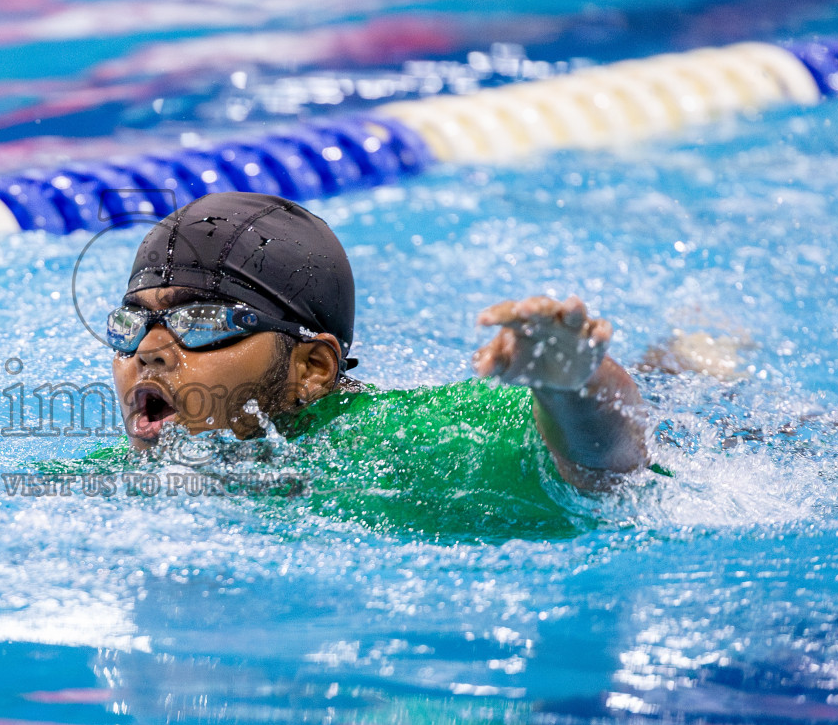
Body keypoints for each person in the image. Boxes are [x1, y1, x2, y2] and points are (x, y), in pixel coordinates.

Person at [66, 192, 652, 538]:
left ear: (313, 368)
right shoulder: (111, 483)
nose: (148, 350)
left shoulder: (411, 443)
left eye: (202, 322)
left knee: (674, 377)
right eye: (131, 323)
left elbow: (608, 472)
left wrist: (576, 384)